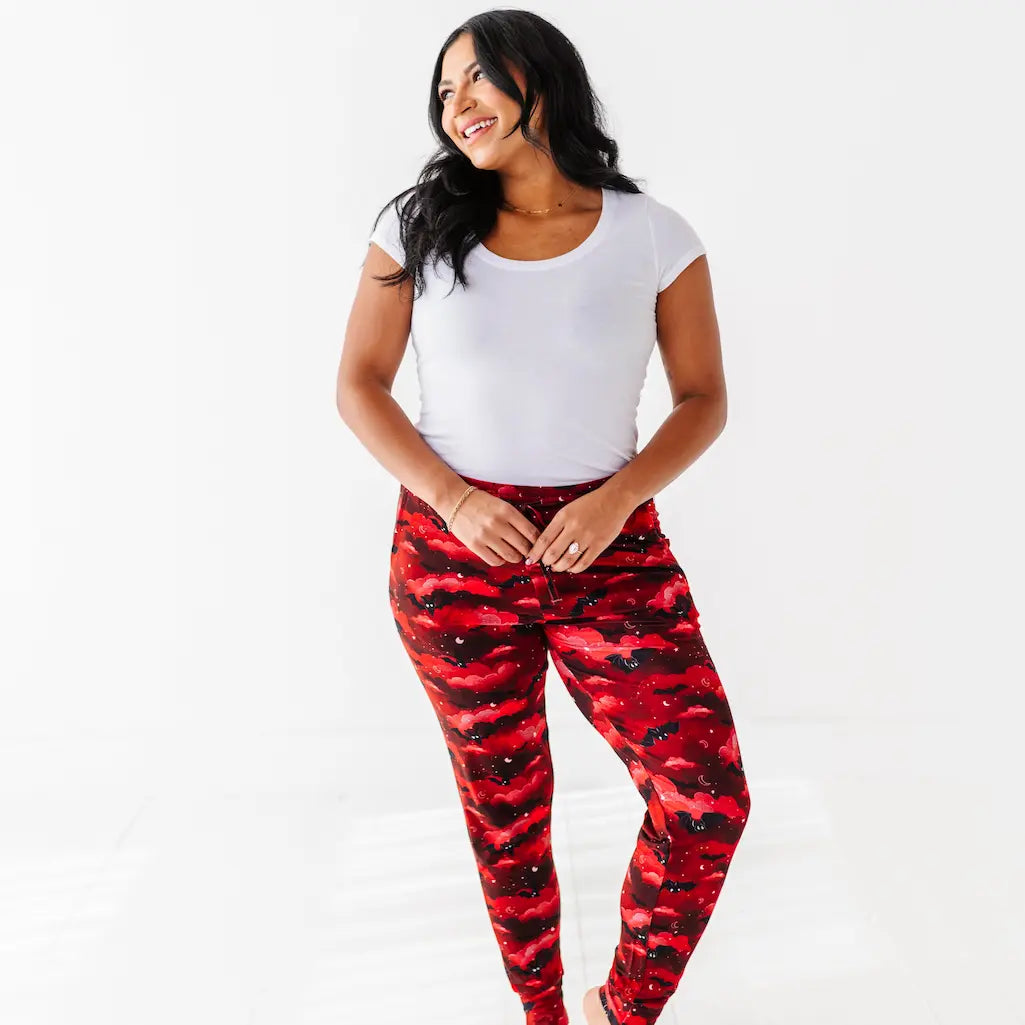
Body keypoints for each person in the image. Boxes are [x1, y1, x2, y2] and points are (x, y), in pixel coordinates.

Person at [337, 11, 751, 1025]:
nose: (457, 106)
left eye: (477, 80)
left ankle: (623, 1008)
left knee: (706, 798)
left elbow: (703, 397)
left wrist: (615, 499)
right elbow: (358, 383)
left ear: (543, 80)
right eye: (443, 92)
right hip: (451, 557)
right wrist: (453, 497)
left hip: (608, 550)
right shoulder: (412, 224)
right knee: (507, 818)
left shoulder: (653, 234)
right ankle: (540, 1013)